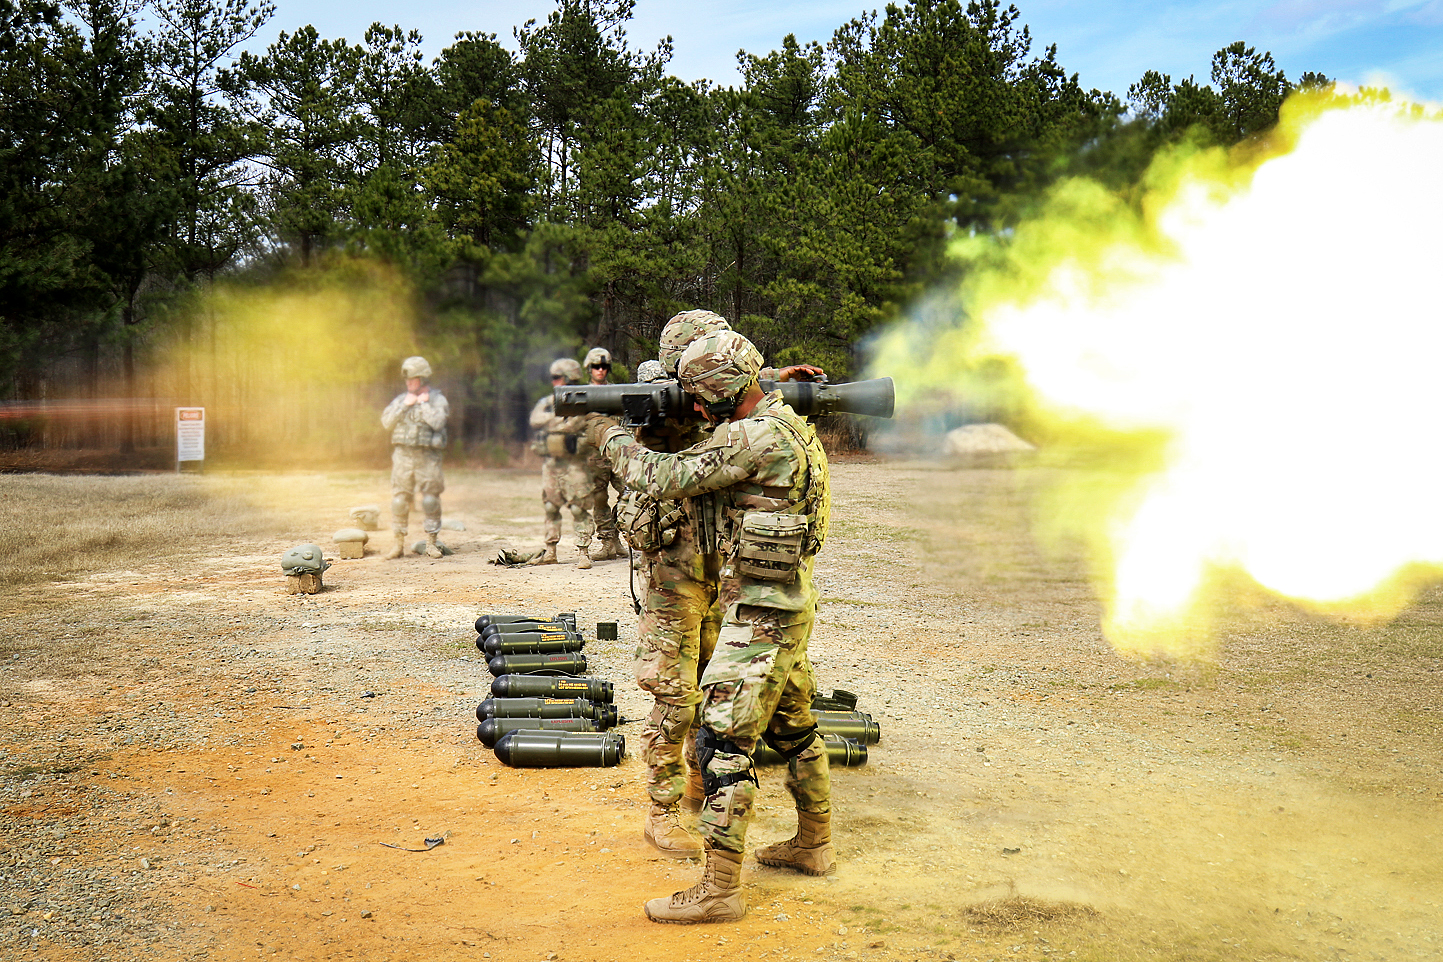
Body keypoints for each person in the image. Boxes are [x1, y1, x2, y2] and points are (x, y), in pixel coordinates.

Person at [587, 329, 833, 924]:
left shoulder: (751, 438)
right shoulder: (788, 419)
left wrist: (609, 436)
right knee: (794, 724)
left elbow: (663, 478)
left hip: (757, 614)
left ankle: (719, 891)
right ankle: (813, 844)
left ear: (719, 394)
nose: (696, 407)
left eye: (701, 397)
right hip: (786, 599)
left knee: (722, 743)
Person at [529, 357, 597, 568]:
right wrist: (560, 420)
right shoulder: (548, 401)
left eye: (557, 378)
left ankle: (583, 552)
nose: (554, 382)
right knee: (550, 506)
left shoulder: (583, 401)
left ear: (568, 379)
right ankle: (551, 550)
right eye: (553, 378)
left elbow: (575, 425)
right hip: (552, 463)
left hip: (574, 463)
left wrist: (555, 422)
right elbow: (535, 419)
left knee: (578, 508)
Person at [380, 356, 449, 560]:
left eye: (413, 379)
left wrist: (423, 404)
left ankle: (431, 543)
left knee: (430, 500)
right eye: (407, 379)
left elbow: (438, 423)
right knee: (399, 500)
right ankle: (398, 544)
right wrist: (405, 405)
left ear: (423, 379)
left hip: (427, 456)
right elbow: (386, 422)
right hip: (403, 456)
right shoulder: (401, 400)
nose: (409, 383)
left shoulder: (437, 400)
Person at [583, 347, 625, 562]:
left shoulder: (618, 392)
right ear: (589, 369)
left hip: (619, 452)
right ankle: (607, 541)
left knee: (629, 495)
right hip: (594, 455)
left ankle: (616, 535)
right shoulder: (581, 395)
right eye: (595, 367)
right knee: (599, 498)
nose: (600, 370)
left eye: (604, 367)